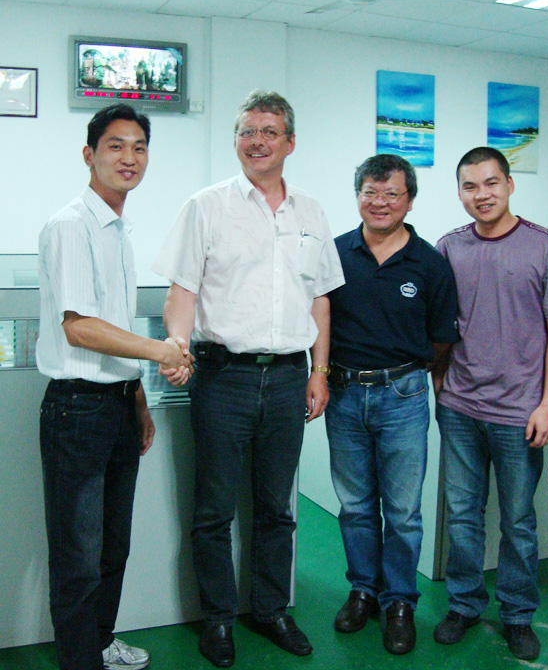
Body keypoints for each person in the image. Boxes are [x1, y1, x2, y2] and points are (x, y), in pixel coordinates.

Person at [153, 90, 344, 667]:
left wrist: (319, 372)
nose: (257, 142)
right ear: (236, 140)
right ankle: (217, 618)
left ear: (290, 143)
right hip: (223, 378)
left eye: (268, 132)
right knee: (214, 509)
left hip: (288, 378)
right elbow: (182, 291)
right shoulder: (206, 206)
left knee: (277, 508)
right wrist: (177, 345)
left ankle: (270, 610)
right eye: (246, 132)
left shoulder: (311, 212)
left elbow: (321, 299)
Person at [36, 103, 194, 670]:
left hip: (117, 406)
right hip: (77, 409)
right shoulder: (70, 226)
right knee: (77, 556)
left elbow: (116, 329)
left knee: (111, 547)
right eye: (115, 145)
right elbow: (79, 327)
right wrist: (162, 352)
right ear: (89, 155)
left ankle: (99, 644)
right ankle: (81, 661)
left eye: (139, 147)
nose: (129, 157)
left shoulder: (119, 231)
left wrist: (139, 399)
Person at [433, 146, 548, 661]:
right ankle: (464, 604)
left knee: (518, 520)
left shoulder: (546, 246)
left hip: (520, 411)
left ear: (510, 185)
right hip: (459, 407)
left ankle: (518, 614)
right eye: (470, 186)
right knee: (462, 515)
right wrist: (438, 381)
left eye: (491, 183)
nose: (482, 194)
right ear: (459, 193)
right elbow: (440, 325)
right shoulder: (449, 247)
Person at [325, 154, 459, 655]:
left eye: (391, 194)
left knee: (403, 511)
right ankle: (363, 589)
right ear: (358, 195)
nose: (379, 203)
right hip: (343, 394)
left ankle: (399, 600)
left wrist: (406, 373)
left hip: (403, 395)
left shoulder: (430, 263)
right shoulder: (335, 253)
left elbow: (441, 338)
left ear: (410, 200)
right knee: (355, 505)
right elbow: (317, 320)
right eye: (370, 193)